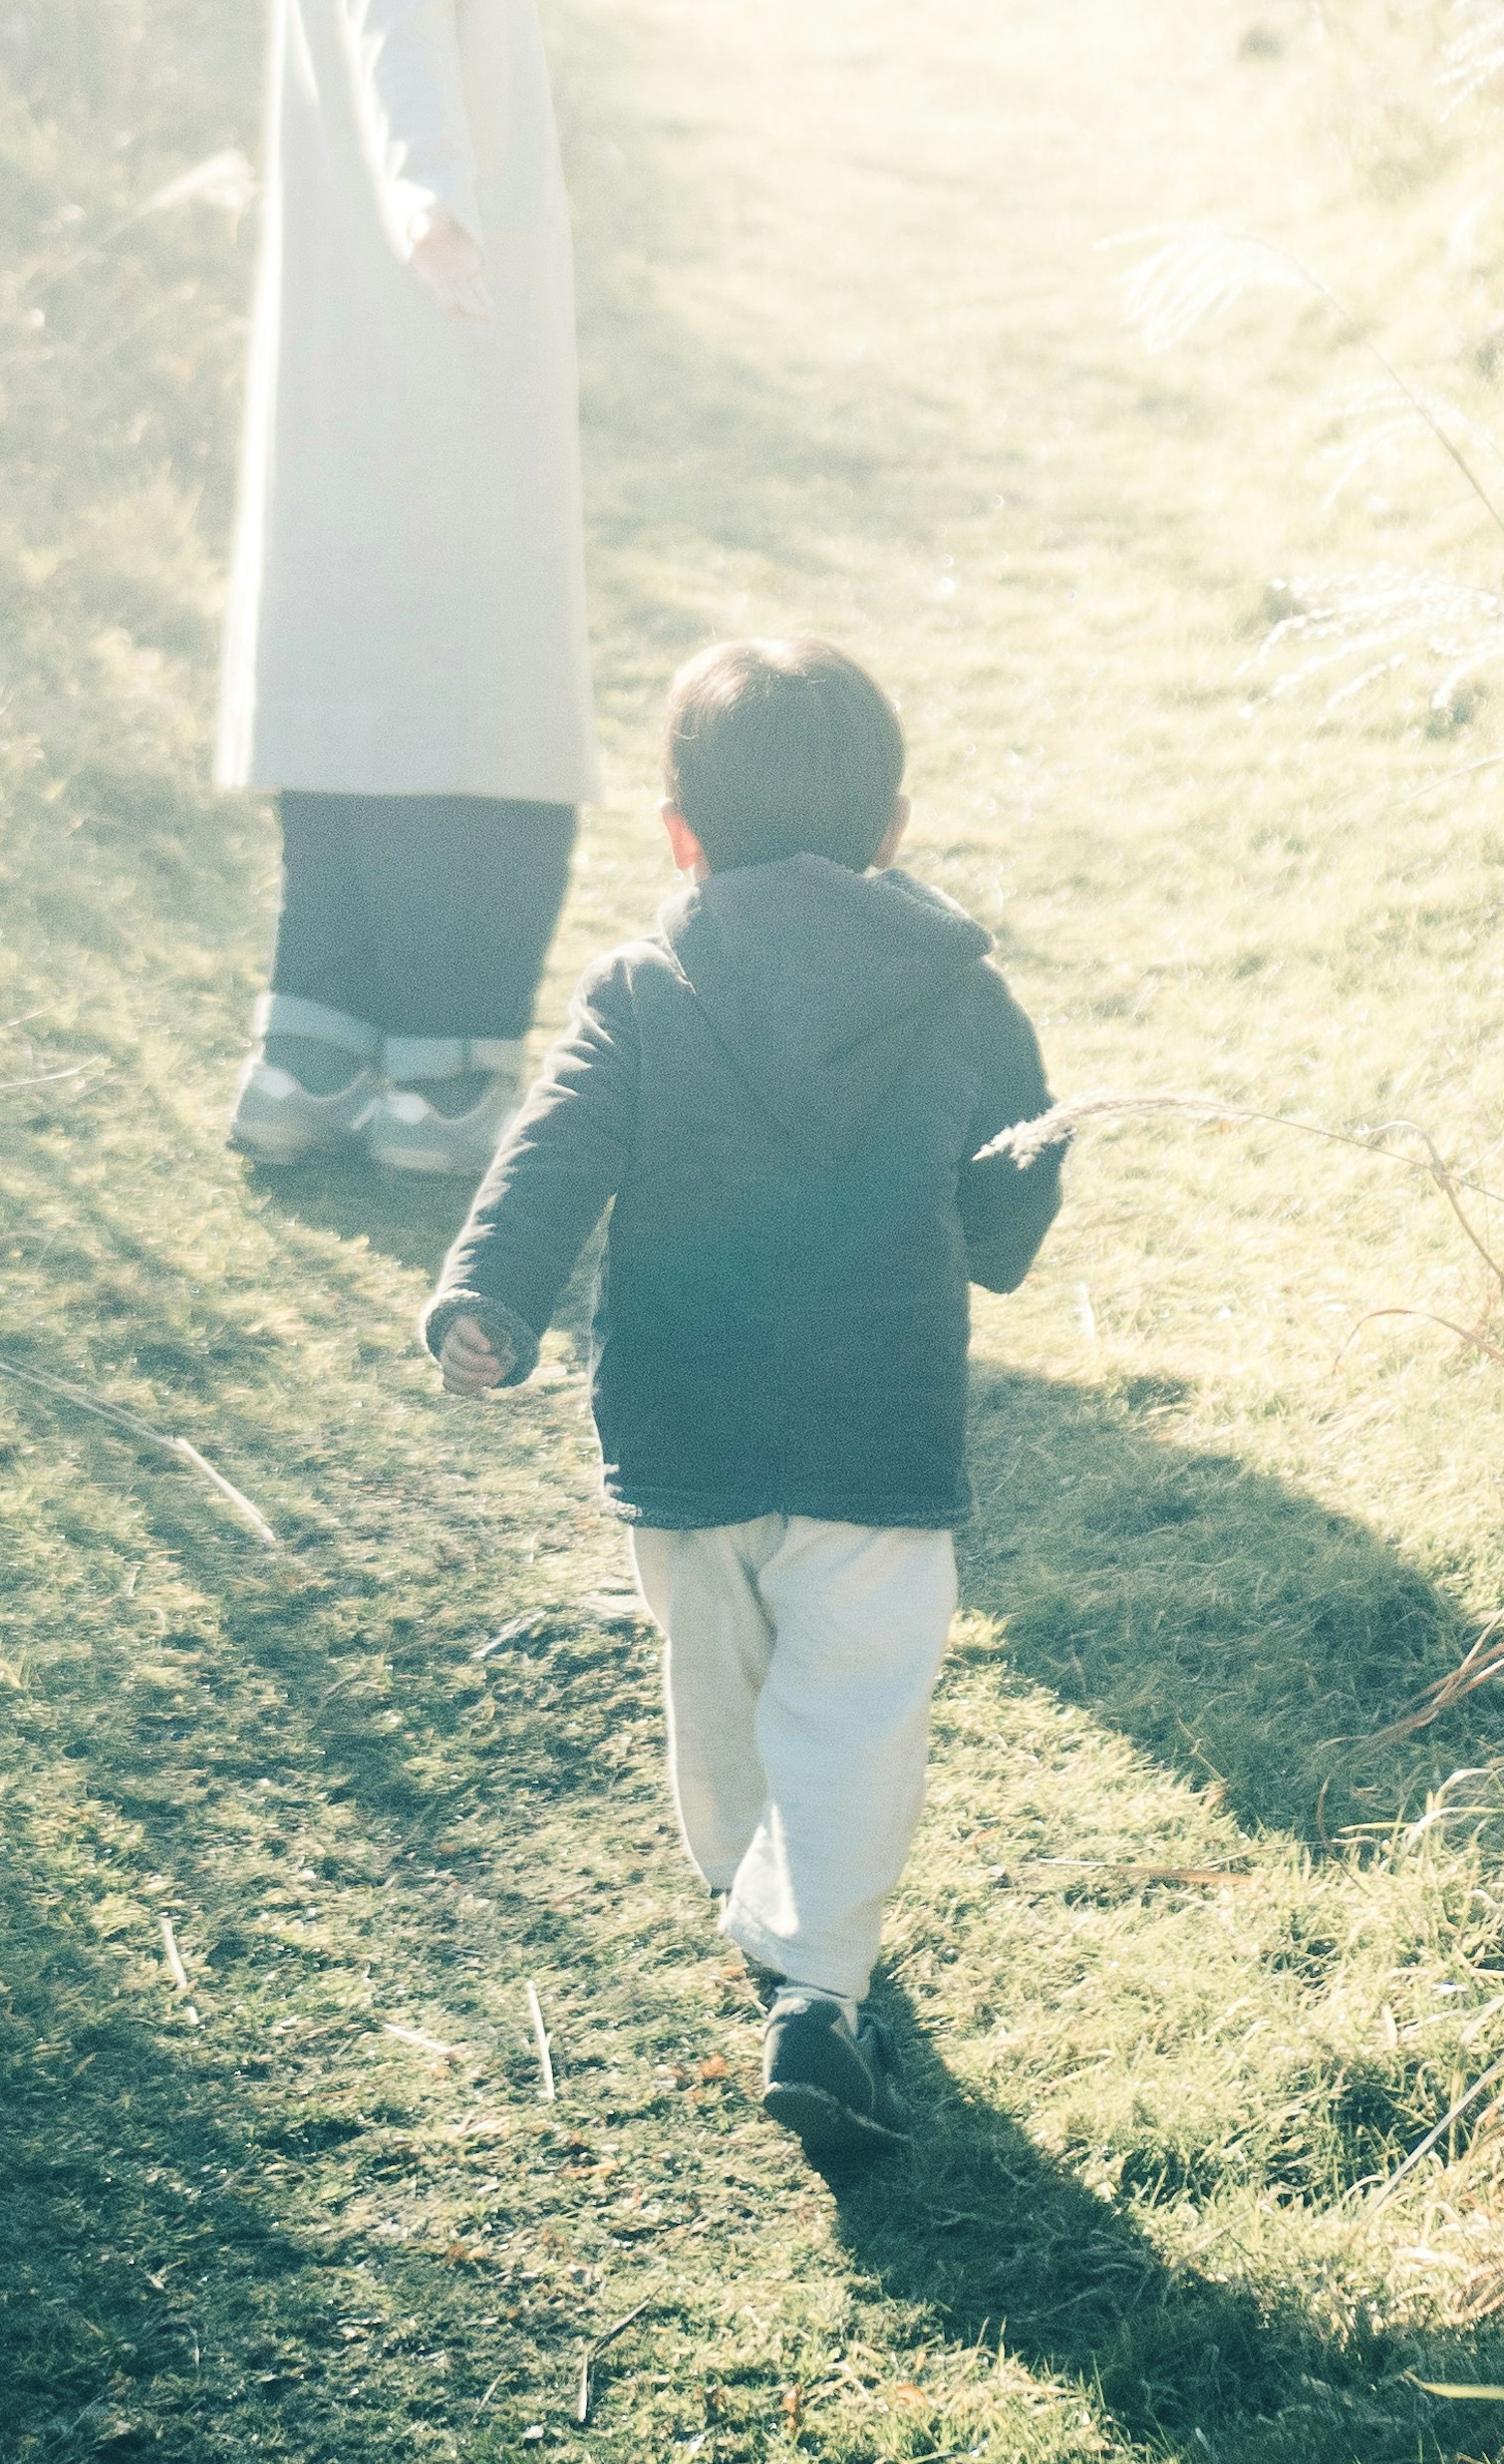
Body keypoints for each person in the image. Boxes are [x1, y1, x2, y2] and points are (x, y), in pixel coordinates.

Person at [420, 633, 1064, 2169]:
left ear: (679, 835)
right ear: (892, 831)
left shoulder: (643, 988)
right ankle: (819, 1982)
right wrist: (988, 1242)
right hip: (875, 1427)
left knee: (718, 1708)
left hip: (684, 1429)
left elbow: (554, 1150)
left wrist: (488, 1295)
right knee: (852, 1714)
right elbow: (1019, 1160)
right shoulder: (959, 994)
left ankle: (774, 1934)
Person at [216, 0, 611, 1192]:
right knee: (488, 727)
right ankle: (445, 1093)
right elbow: (400, 53)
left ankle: (317, 1063)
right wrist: (432, 195)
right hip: (431, 355)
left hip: (367, 371)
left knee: (361, 705)